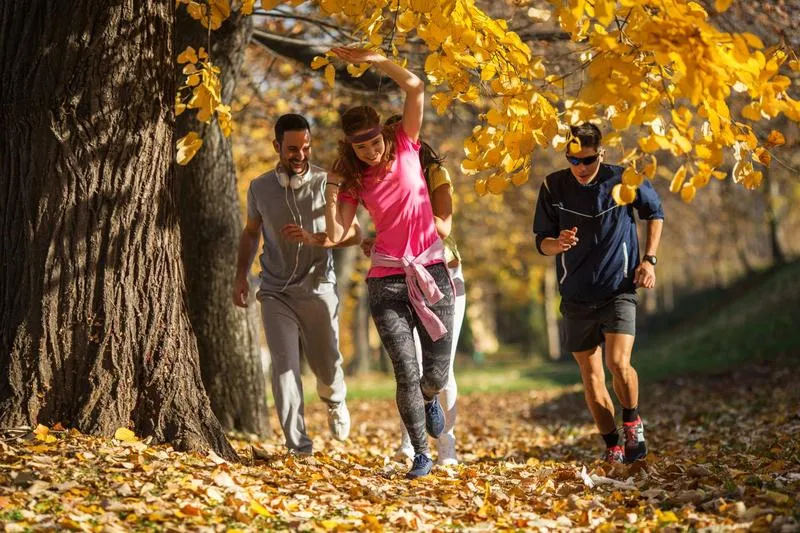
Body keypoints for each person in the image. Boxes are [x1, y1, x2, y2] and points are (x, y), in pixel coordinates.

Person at [323, 47, 455, 479]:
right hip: (386, 281)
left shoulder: (406, 144)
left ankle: (431, 398)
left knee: (434, 372)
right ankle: (421, 454)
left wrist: (377, 59)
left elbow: (415, 85)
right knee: (405, 370)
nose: (370, 151)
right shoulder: (353, 178)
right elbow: (340, 235)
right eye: (360, 146)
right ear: (350, 146)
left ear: (385, 134)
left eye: (374, 141)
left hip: (431, 271)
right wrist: (331, 189)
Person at [532, 123, 664, 464]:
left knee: (618, 363)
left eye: (587, 160)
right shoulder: (553, 185)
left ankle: (632, 421)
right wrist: (556, 244)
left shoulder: (622, 179)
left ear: (600, 154)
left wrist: (648, 260)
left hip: (617, 288)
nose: (580, 167)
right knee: (591, 377)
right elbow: (541, 242)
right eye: (573, 160)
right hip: (575, 294)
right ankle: (613, 446)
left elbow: (655, 212)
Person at [233, 113, 362, 455]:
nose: (300, 155)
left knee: (326, 363)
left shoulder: (326, 183)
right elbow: (250, 233)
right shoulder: (259, 187)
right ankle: (298, 447)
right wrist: (240, 276)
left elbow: (355, 235)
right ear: (277, 146)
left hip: (318, 287)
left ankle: (335, 401)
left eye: (305, 147)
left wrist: (313, 238)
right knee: (284, 366)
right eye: (292, 149)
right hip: (276, 290)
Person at [361, 115, 465, 466]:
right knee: (408, 366)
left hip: (439, 273)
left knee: (439, 369)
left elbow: (442, 224)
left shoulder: (434, 172)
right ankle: (414, 447)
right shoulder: (377, 177)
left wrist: (397, 224)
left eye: (393, 139)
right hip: (394, 274)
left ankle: (446, 446)